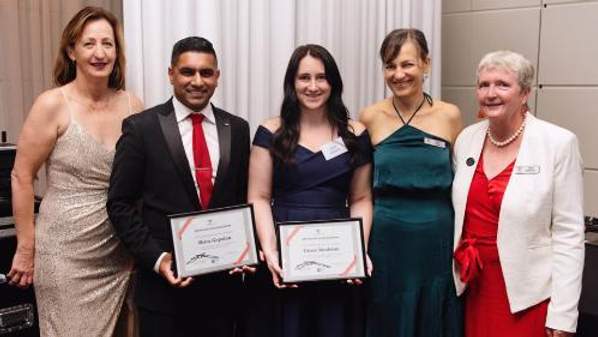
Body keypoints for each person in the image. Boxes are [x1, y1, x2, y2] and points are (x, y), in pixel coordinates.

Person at [7, 6, 143, 337]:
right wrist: (26, 248)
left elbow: (142, 181)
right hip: (66, 255)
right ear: (72, 50)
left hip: (120, 255)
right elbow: (21, 177)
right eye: (89, 43)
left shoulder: (133, 105)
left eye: (108, 44)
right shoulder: (52, 104)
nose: (100, 53)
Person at [107, 36, 250, 337]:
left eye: (206, 73)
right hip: (164, 291)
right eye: (187, 72)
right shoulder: (141, 128)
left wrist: (246, 251)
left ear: (217, 77)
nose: (197, 81)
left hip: (223, 292)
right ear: (171, 74)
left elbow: (242, 198)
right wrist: (158, 260)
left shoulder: (236, 128)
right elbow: (119, 204)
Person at [243, 44, 373, 337]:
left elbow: (362, 198)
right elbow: (258, 197)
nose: (313, 86)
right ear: (292, 83)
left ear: (333, 83)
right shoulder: (270, 132)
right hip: (283, 253)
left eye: (321, 77)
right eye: (304, 78)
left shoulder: (356, 134)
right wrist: (270, 250)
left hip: (337, 253)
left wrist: (358, 250)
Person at [452, 50, 584, 337]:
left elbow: (569, 234)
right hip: (473, 286)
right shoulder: (466, 140)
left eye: (502, 84)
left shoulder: (558, 143)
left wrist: (563, 315)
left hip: (528, 295)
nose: (491, 93)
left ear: (524, 93)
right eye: (484, 85)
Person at [359, 28, 463, 337]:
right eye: (390, 66)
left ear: (426, 64)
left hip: (437, 238)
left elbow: (463, 181)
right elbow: (360, 190)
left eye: (407, 64)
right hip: (386, 239)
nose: (398, 74)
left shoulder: (450, 116)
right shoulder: (369, 117)